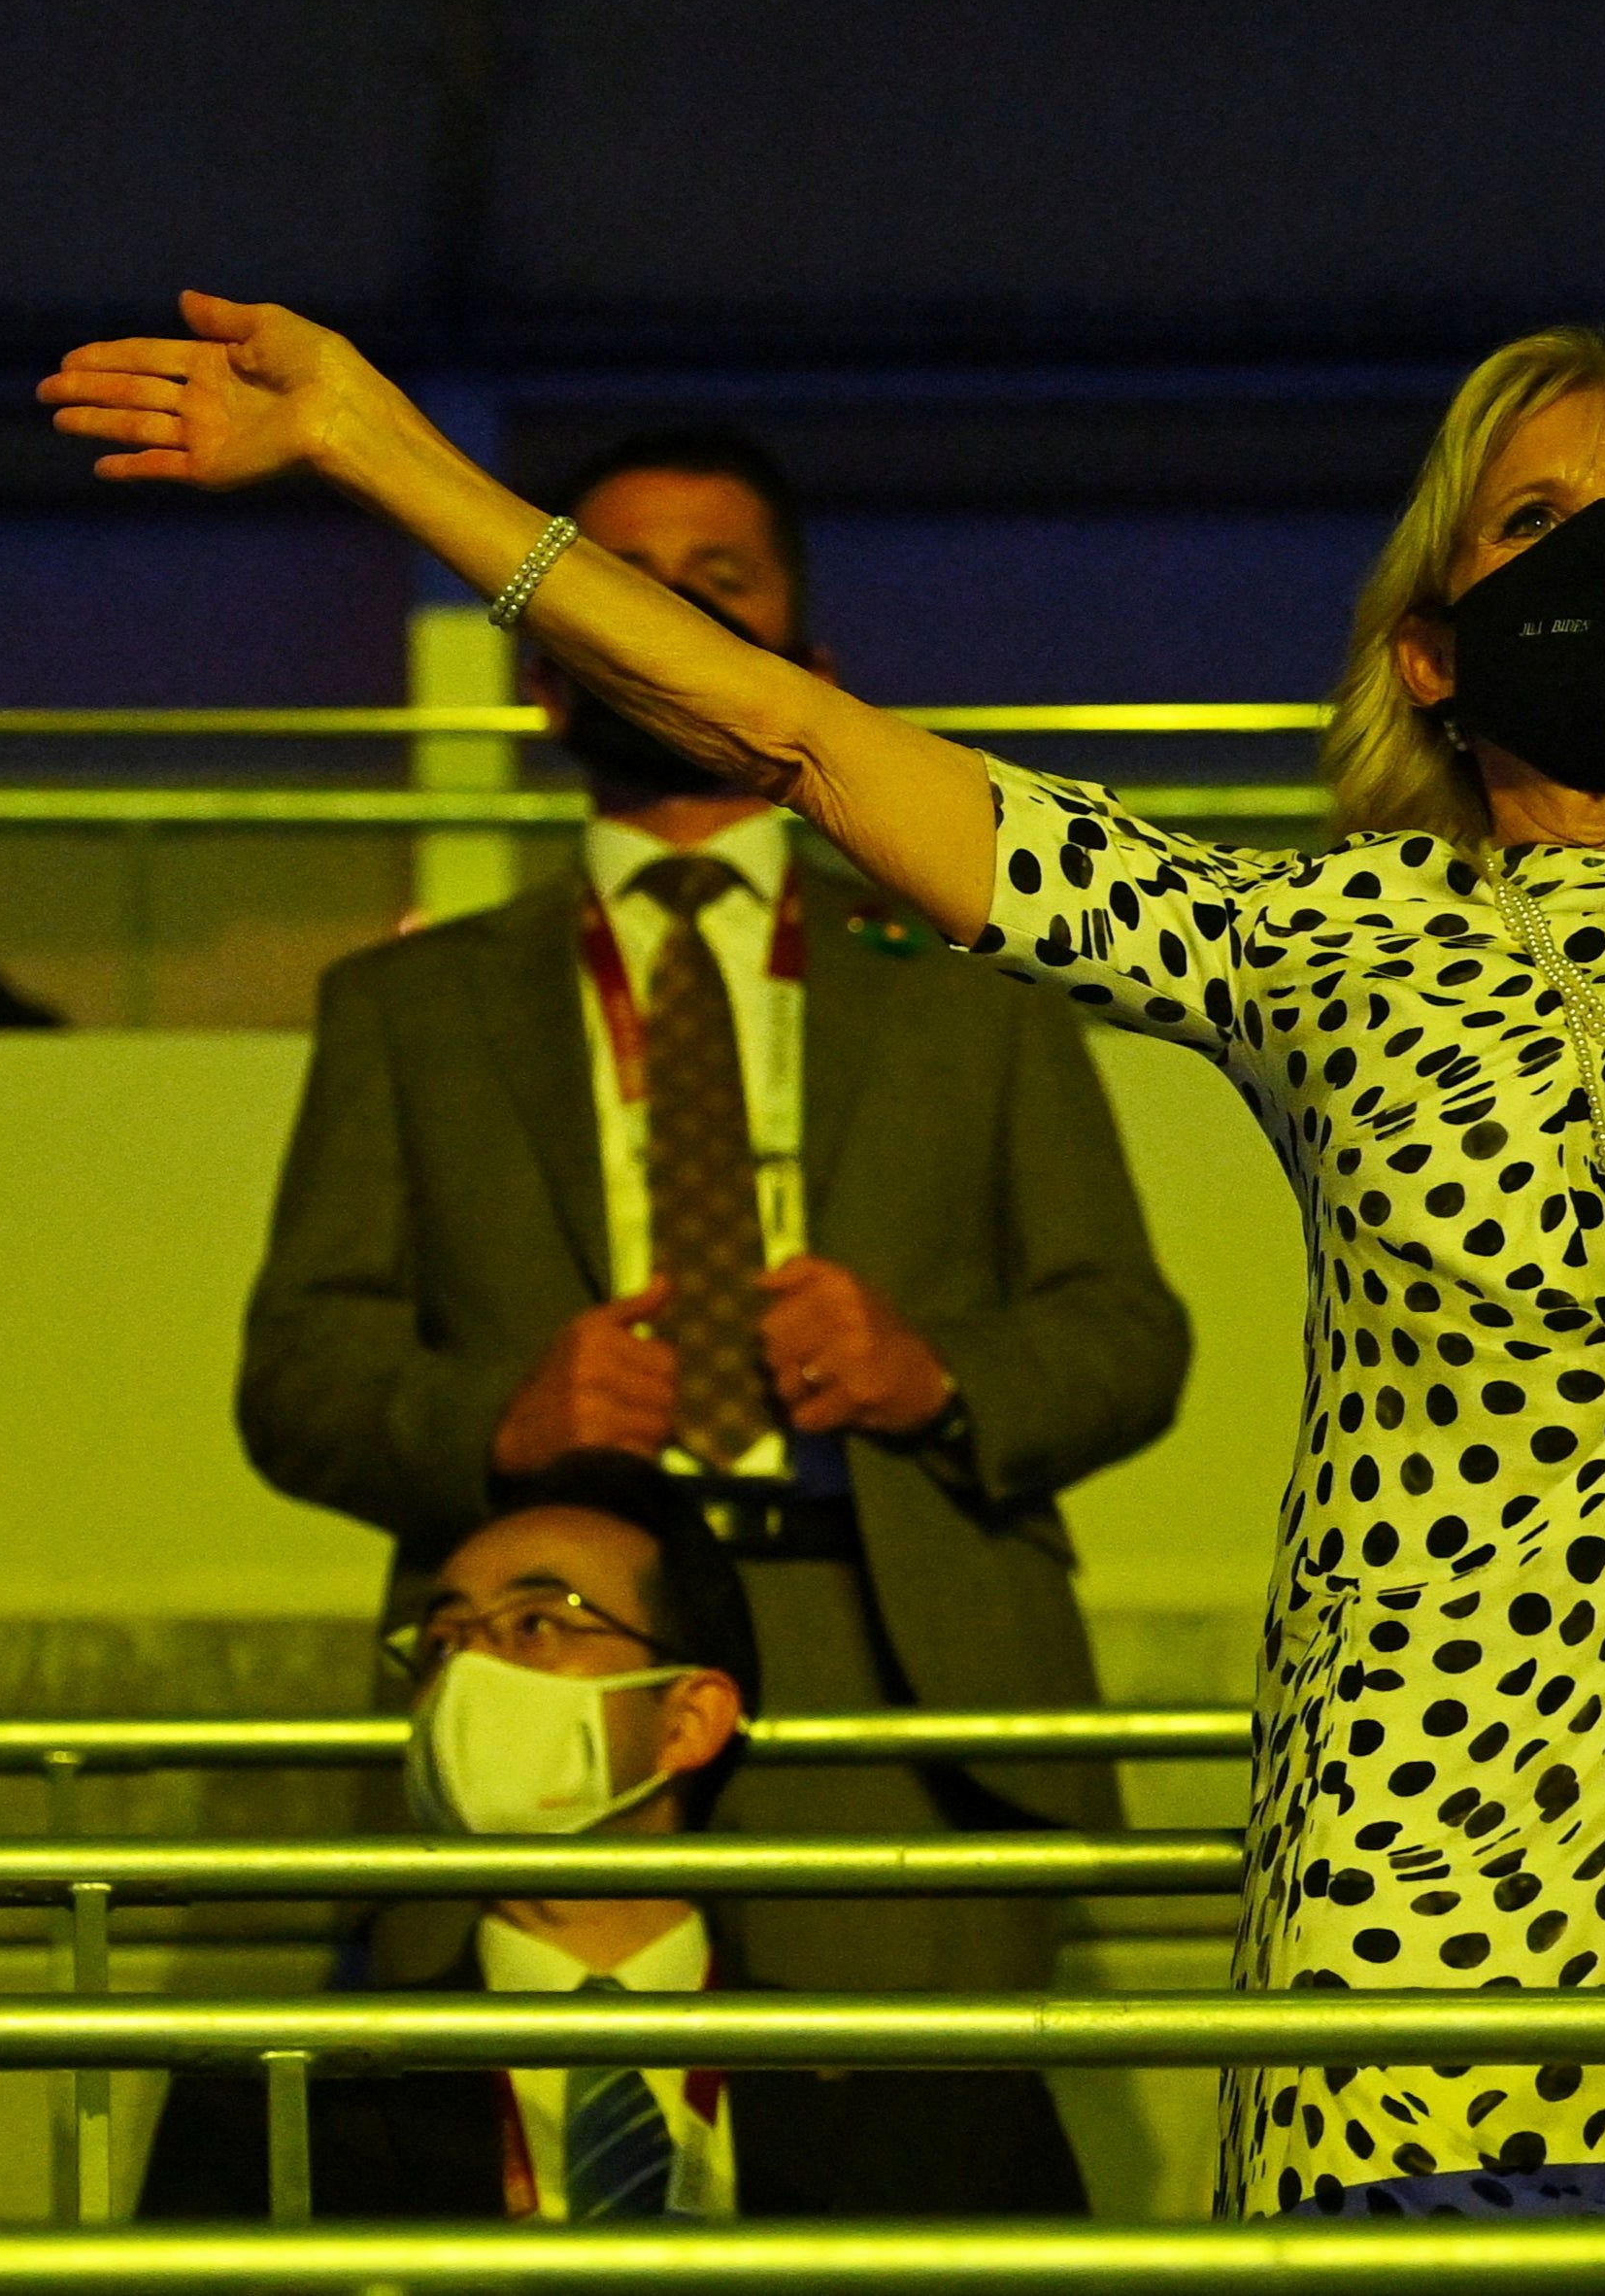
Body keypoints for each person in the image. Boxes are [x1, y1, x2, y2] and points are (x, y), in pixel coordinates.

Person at [47, 300, 1605, 2220]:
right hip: (1432, 1914)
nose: (1597, 552)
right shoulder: (1319, 933)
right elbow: (797, 734)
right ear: (1430, 641)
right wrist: (379, 451)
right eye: (1531, 517)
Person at [227, 422, 1190, 1995]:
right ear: (547, 670)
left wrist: (936, 1376)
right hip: (548, 1674)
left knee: (915, 2206)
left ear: (803, 660)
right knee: (535, 2193)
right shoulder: (407, 1006)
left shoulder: (974, 984)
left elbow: (1127, 1331)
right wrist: (502, 1419)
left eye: (716, 584)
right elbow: (298, 1376)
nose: (668, 616)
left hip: (905, 1676)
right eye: (622, 585)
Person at [138, 1454, 1087, 2220]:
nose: (470, 1669)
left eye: (538, 1622)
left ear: (688, 1718)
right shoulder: (275, 2104)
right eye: (442, 1640)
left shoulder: (941, 2101)